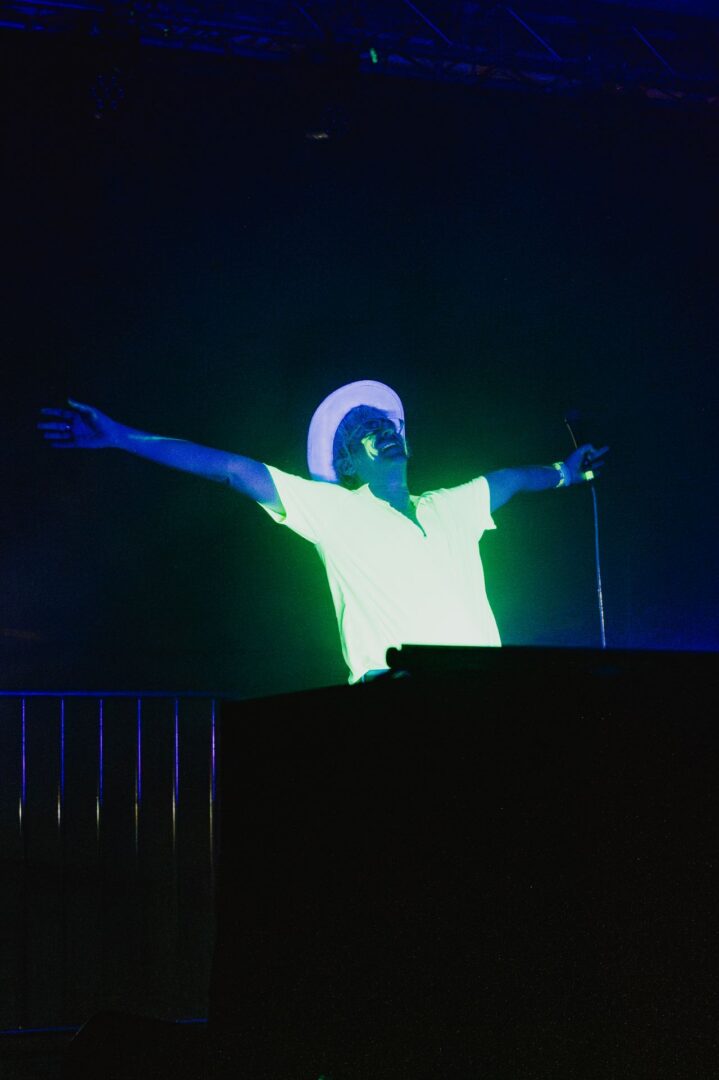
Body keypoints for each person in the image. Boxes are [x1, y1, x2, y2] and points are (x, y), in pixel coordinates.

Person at [38, 379, 608, 685]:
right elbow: (232, 469)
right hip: (398, 694)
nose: (382, 428)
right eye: (363, 429)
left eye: (386, 422)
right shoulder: (336, 510)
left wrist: (565, 472)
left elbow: (509, 480)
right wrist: (121, 437)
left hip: (484, 691)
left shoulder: (449, 507)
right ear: (347, 463)